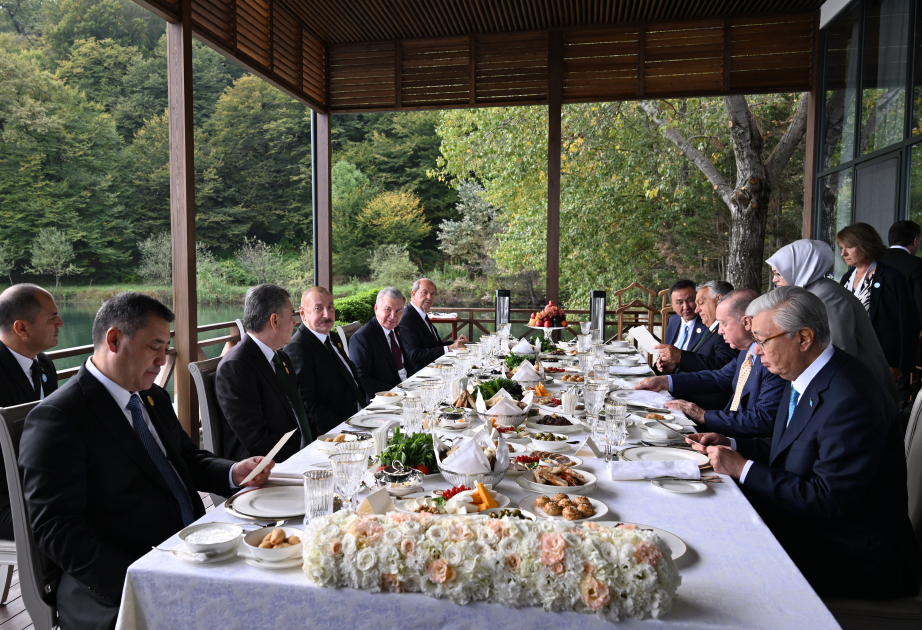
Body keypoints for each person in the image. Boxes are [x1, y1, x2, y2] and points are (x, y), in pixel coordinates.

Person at [18, 292, 273, 629]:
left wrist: (232, 472)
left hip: (194, 549)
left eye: (166, 347)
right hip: (127, 577)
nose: (162, 358)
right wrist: (141, 579)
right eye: (154, 346)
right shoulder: (59, 417)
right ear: (114, 339)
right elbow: (57, 530)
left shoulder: (151, 396)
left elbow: (185, 457)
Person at [685, 287, 921, 599]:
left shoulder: (852, 398)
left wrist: (743, 469)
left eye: (762, 340)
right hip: (815, 532)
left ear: (804, 338)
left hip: (850, 557)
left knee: (709, 568)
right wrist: (733, 444)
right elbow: (793, 449)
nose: (755, 352)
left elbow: (827, 501)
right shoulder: (805, 375)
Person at [636, 290, 786, 437]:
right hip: (725, 433)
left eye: (723, 323)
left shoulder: (772, 361)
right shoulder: (746, 353)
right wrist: (666, 381)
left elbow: (764, 419)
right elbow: (718, 377)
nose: (720, 331)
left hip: (746, 446)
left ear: (746, 322)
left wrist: (702, 415)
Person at [766, 239, 898, 403]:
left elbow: (840, 348)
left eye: (778, 273)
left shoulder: (826, 295)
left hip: (858, 388)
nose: (775, 280)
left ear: (799, 267)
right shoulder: (811, 292)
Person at [215, 284, 312, 462]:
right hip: (263, 469)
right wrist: (302, 459)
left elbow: (301, 411)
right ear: (274, 321)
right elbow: (257, 440)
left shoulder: (280, 357)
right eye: (291, 315)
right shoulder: (236, 366)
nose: (295, 322)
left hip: (300, 453)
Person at [0, 284, 63, 540]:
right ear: (21, 328)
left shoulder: (44, 363)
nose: (60, 322)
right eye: (52, 318)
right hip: (7, 496)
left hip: (39, 485)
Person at [837, 222, 921, 383]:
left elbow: (907, 322)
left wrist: (897, 363)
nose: (843, 253)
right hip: (849, 357)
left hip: (880, 360)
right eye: (842, 247)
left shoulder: (891, 277)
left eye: (849, 247)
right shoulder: (847, 278)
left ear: (866, 245)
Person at [285, 287, 367, 435]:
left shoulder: (333, 338)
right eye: (318, 308)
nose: (327, 315)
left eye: (330, 307)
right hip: (337, 432)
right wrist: (346, 428)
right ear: (303, 313)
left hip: (360, 418)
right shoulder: (297, 347)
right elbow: (306, 406)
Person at [657, 280, 737, 374]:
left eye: (700, 302)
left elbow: (725, 367)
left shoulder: (724, 329)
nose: (697, 309)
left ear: (718, 299)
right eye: (679, 302)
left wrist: (681, 357)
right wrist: (673, 366)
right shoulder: (672, 321)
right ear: (672, 304)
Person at [349, 287, 413, 395]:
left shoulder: (396, 329)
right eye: (388, 309)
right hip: (384, 398)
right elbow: (361, 380)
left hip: (407, 389)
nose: (393, 316)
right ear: (376, 308)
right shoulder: (362, 338)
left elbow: (406, 365)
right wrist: (396, 391)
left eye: (398, 311)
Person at [398, 278, 468, 368]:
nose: (429, 297)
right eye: (425, 292)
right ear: (413, 294)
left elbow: (436, 346)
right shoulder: (406, 318)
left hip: (435, 367)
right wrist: (449, 348)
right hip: (420, 374)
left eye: (432, 294)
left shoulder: (422, 314)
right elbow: (414, 355)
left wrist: (455, 343)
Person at [882, 219, 922, 320]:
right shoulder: (917, 264)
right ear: (915, 240)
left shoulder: (872, 260)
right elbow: (920, 302)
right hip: (903, 327)